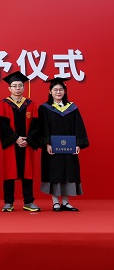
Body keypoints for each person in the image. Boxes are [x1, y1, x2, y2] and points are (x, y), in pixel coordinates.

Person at [38, 77, 89, 211]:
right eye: (55, 89)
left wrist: (78, 144)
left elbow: (78, 127)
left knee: (68, 173)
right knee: (54, 173)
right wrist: (47, 143)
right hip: (53, 148)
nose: (58, 92)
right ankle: (55, 202)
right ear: (50, 91)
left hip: (69, 148)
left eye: (61, 89)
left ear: (65, 91)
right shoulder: (44, 108)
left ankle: (65, 202)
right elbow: (43, 127)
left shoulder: (72, 108)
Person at [0, 71, 41, 212]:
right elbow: (3, 125)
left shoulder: (31, 104)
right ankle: (8, 202)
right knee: (9, 173)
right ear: (9, 88)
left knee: (28, 173)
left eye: (20, 85)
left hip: (27, 144)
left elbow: (35, 125)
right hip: (11, 144)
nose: (18, 88)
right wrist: (16, 138)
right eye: (14, 86)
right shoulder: (3, 104)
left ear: (24, 87)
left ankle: (29, 201)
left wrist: (28, 139)